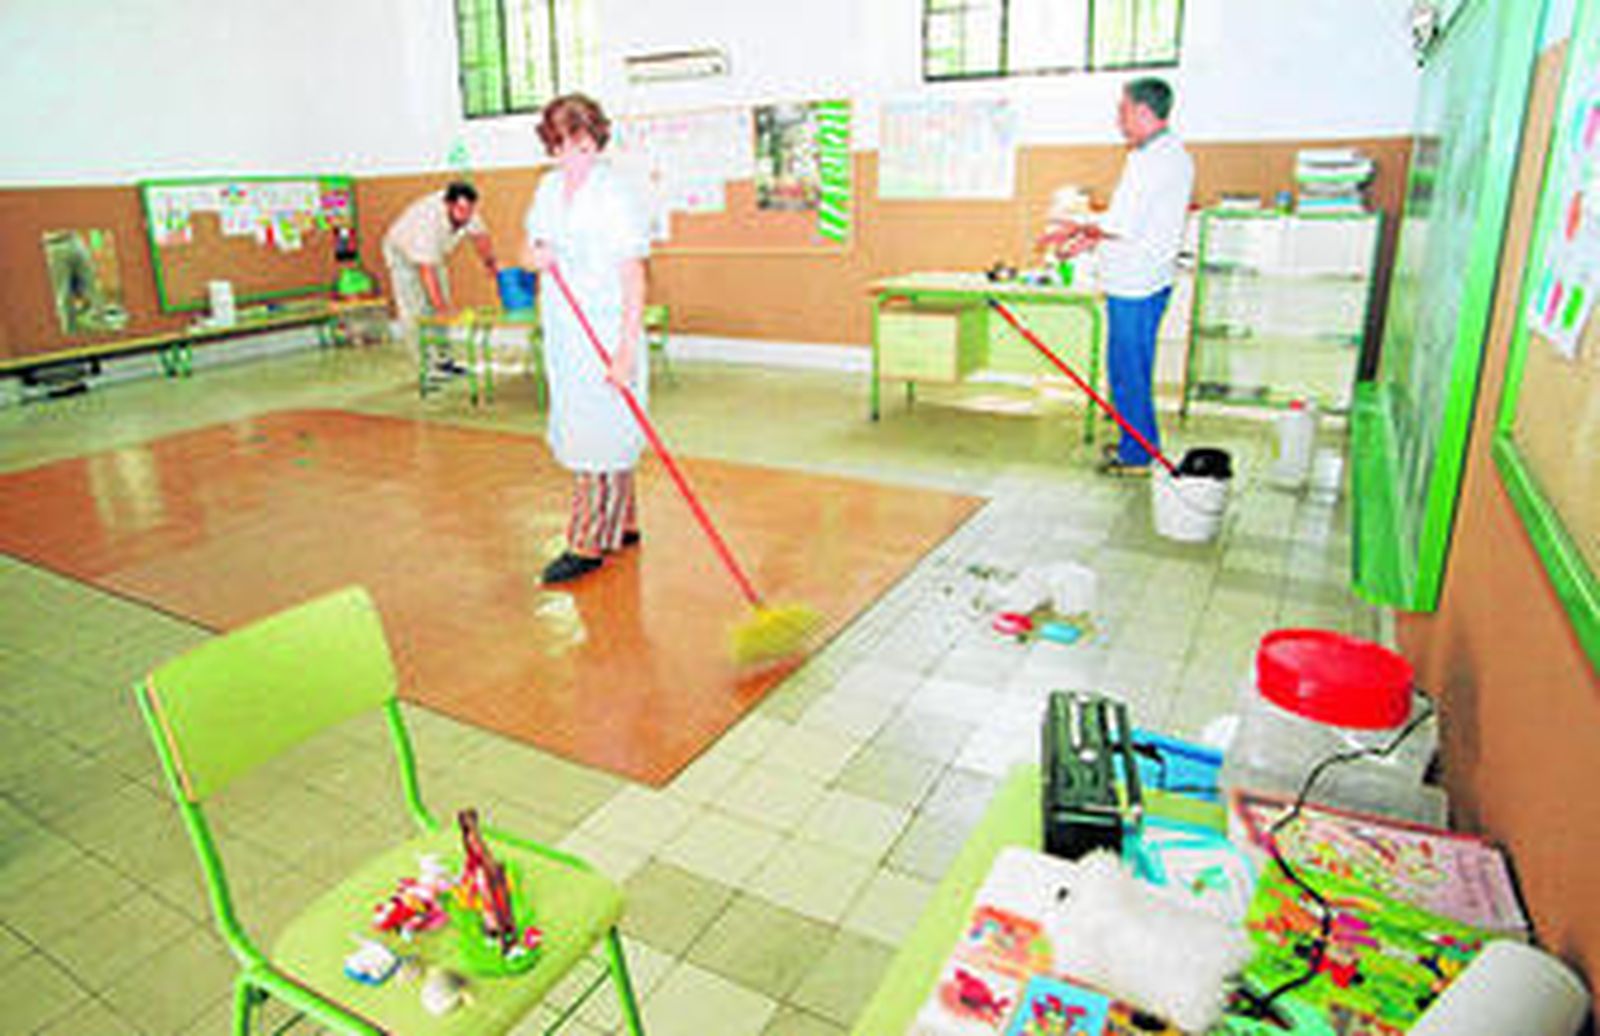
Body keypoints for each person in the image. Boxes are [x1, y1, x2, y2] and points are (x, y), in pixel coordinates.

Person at [521, 94, 651, 585]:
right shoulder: (547, 190)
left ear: (598, 142)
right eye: (565, 147)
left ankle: (586, 541)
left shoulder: (614, 195)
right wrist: (538, 258)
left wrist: (625, 351)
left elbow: (635, 276)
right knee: (592, 426)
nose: (576, 158)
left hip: (605, 329)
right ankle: (624, 521)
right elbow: (527, 248)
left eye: (584, 146)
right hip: (566, 333)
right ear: (551, 148)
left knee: (600, 432)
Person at [1041, 77, 1194, 476]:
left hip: (1137, 285)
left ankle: (1138, 455)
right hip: (1139, 278)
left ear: (1144, 111)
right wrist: (1085, 238)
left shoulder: (1158, 159)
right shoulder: (1157, 155)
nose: (1118, 119)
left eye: (1123, 110)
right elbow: (1129, 225)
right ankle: (1136, 444)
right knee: (1129, 369)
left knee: (1129, 371)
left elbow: (1120, 223)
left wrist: (1072, 226)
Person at [382, 181, 498, 374]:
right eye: (461, 210)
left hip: (432, 255)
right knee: (416, 310)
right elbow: (427, 272)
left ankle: (444, 361)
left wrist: (490, 263)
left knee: (441, 300)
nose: (466, 215)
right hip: (402, 255)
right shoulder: (427, 223)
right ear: (448, 205)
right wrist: (442, 309)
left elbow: (480, 237)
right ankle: (426, 367)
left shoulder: (467, 211)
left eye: (469, 210)